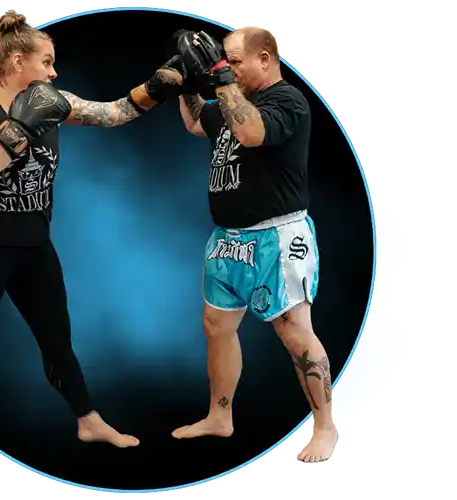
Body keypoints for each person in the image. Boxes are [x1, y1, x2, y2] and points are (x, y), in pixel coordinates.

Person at [0, 12, 185, 486]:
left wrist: (160, 84)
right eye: (47, 62)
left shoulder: (55, 100)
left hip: (33, 246)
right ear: (17, 60)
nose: (54, 73)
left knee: (57, 342)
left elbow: (114, 113)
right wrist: (24, 121)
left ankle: (87, 420)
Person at [169, 26, 338, 463]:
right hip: (227, 239)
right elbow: (193, 122)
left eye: (235, 61)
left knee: (294, 331)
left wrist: (221, 78)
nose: (226, 68)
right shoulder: (228, 100)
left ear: (265, 58)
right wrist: (189, 79)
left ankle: (325, 429)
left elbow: (250, 133)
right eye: (223, 61)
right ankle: (219, 416)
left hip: (277, 237)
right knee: (216, 327)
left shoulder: (287, 101)